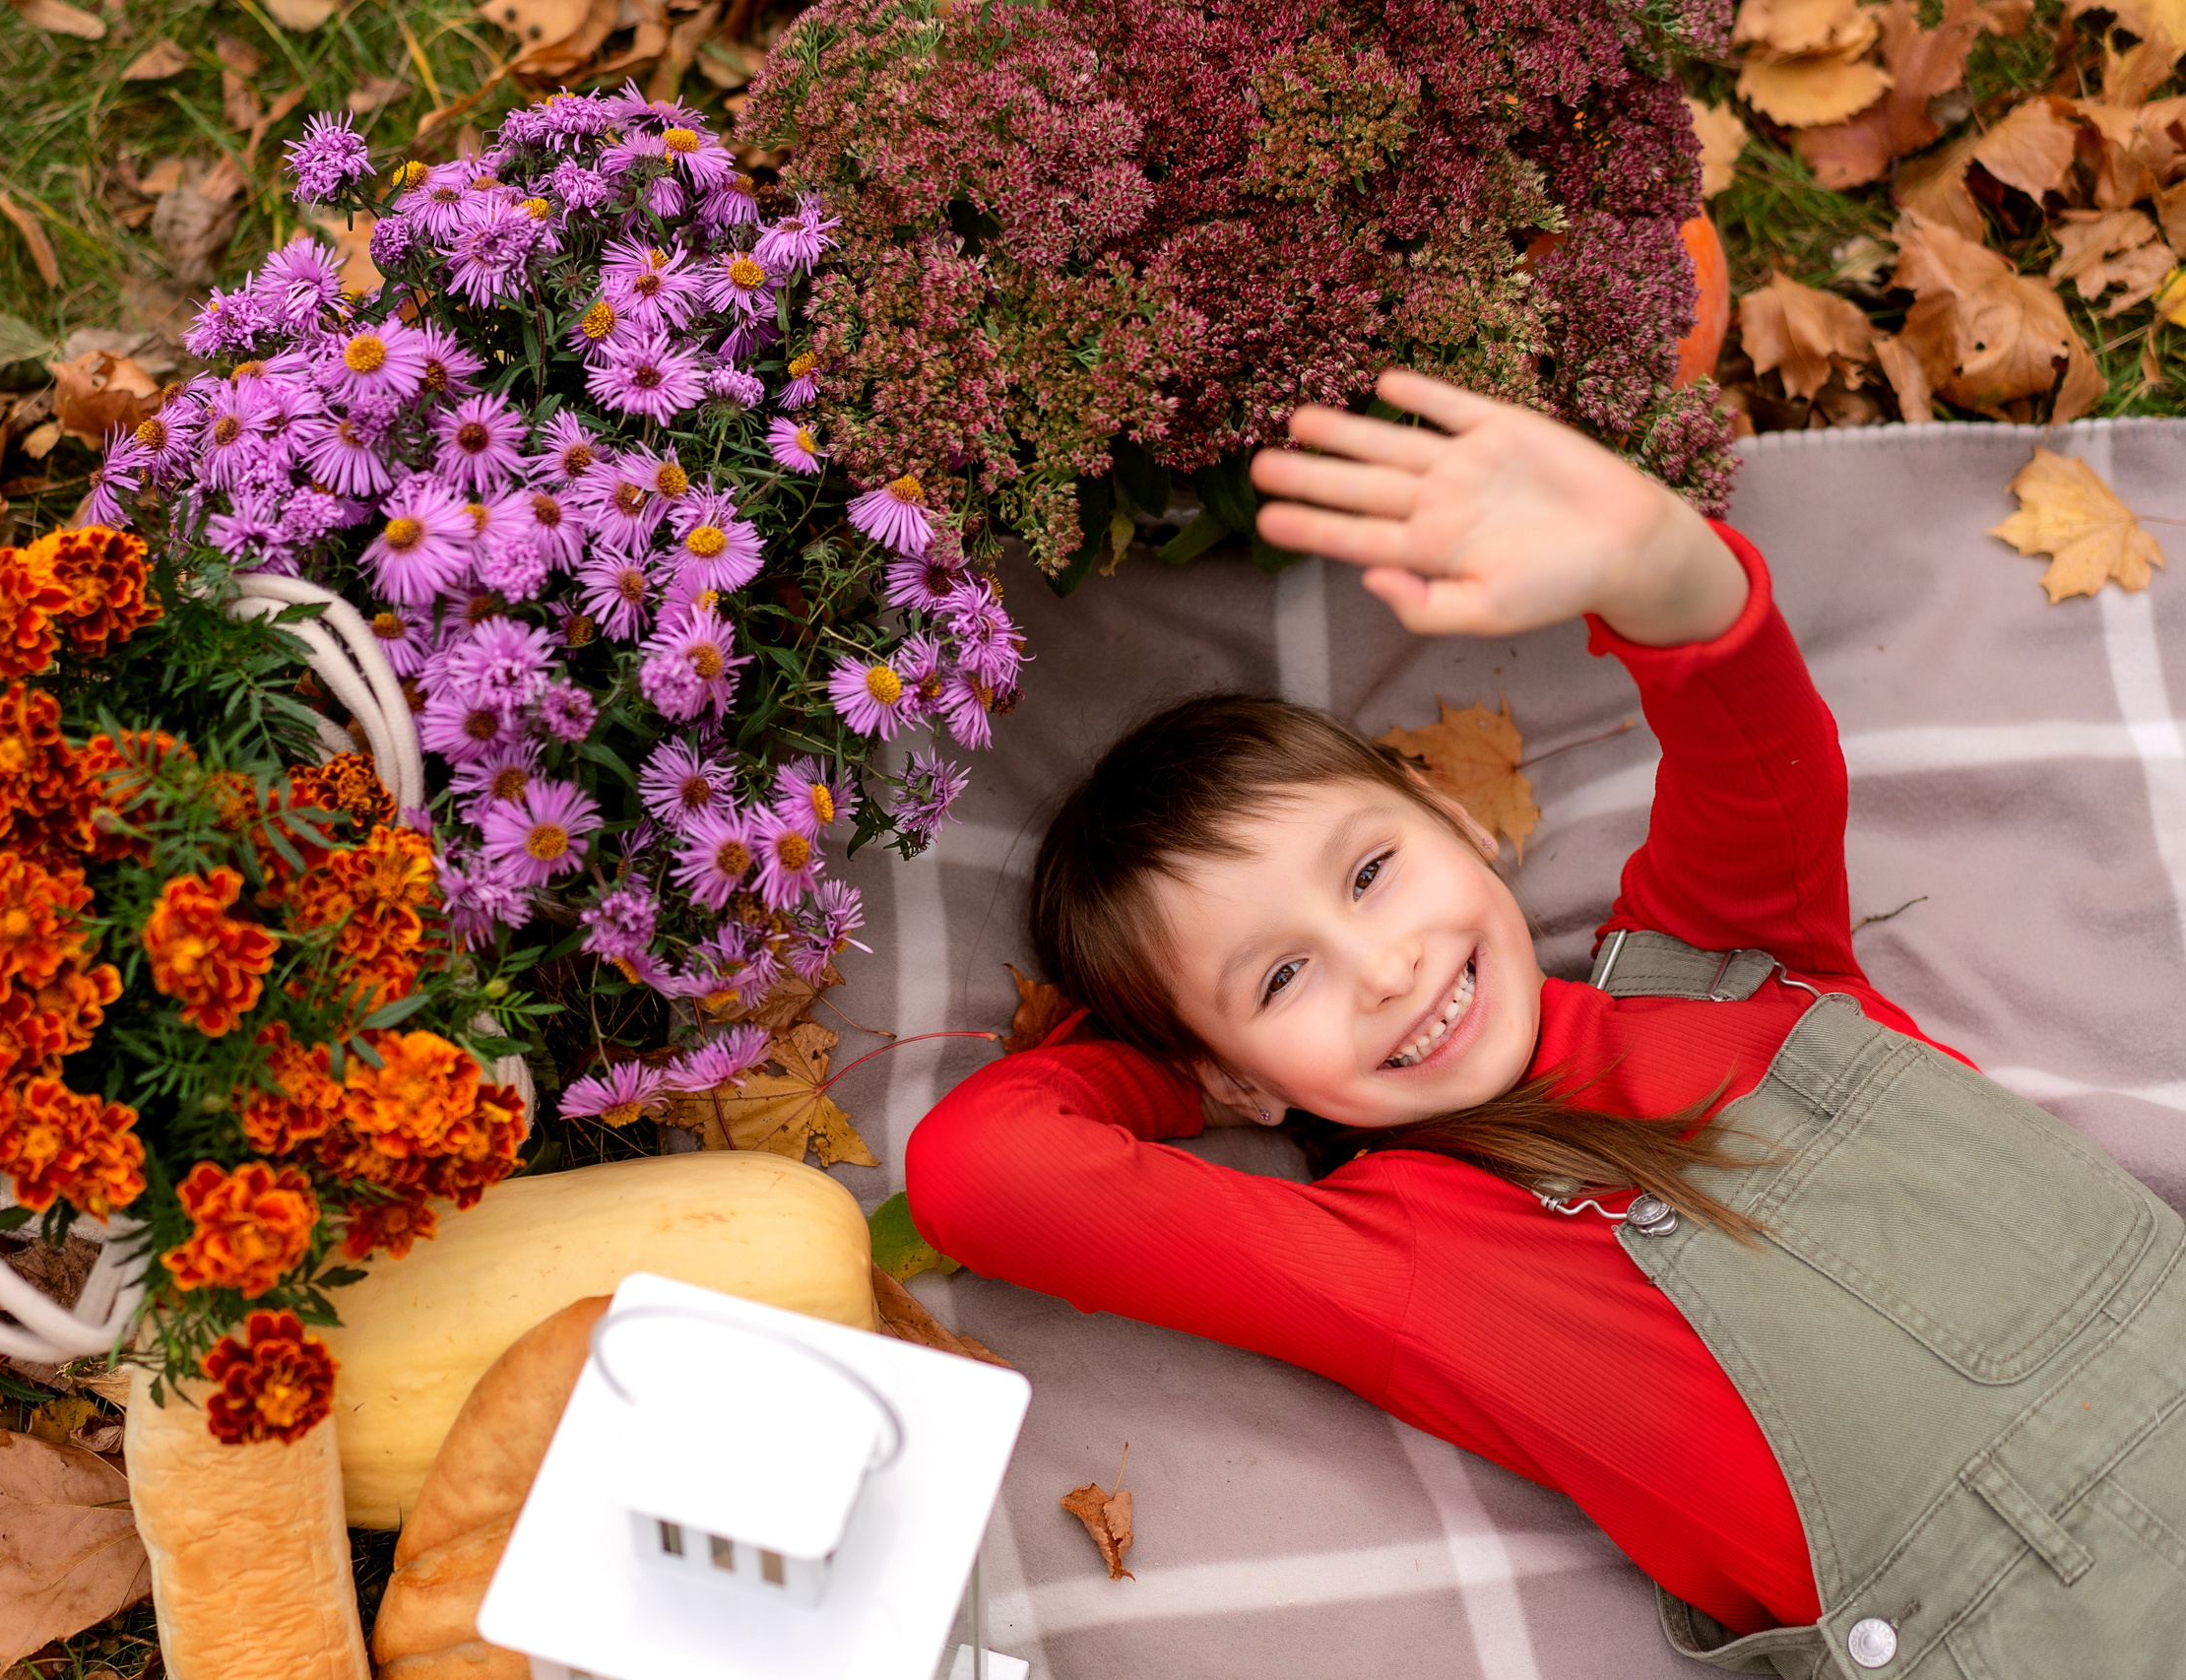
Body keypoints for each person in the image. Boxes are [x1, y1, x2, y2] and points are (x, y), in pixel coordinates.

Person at [904, 371, 2186, 1678]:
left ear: (1459, 823)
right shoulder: (1385, 1256)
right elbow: (983, 1172)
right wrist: (1204, 1073)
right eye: (1282, 979)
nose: (1386, 967)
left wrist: (1656, 563)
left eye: (1368, 874)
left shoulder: (1726, 958)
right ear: (1233, 1068)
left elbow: (1752, 743)